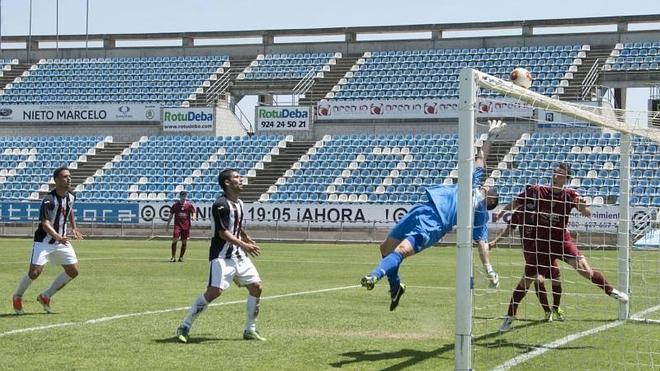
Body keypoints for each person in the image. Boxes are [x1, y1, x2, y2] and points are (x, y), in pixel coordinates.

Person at [360, 120, 505, 311]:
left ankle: (374, 276)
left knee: (402, 250)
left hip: (435, 224)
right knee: (386, 248)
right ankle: (395, 287)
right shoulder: (474, 184)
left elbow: (482, 243)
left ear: (491, 200)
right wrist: (490, 137)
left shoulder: (480, 214)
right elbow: (480, 159)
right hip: (424, 209)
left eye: (490, 189)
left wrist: (489, 269)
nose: (488, 185)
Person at [497, 162, 628, 332]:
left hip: (561, 241)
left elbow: (587, 214)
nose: (555, 175)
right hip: (541, 244)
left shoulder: (570, 194)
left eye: (560, 173)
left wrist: (581, 205)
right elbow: (516, 202)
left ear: (567, 178)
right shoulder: (537, 190)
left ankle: (612, 291)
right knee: (526, 280)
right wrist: (502, 211)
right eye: (554, 172)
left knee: (585, 270)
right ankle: (510, 315)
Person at [176, 169, 266, 343]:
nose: (241, 180)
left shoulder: (239, 203)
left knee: (256, 287)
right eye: (237, 177)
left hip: (238, 255)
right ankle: (185, 326)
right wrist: (244, 244)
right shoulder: (220, 204)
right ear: (227, 183)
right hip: (222, 256)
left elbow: (236, 225)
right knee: (214, 292)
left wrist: (246, 238)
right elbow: (223, 232)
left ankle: (250, 329)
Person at [12, 166, 84, 315]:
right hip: (44, 241)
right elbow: (45, 224)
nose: (69, 178)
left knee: (73, 271)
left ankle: (45, 296)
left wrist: (74, 228)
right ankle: (17, 296)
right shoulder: (48, 200)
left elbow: (70, 210)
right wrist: (58, 237)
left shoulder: (71, 196)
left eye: (69, 176)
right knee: (35, 273)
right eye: (65, 176)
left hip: (61, 241)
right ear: (56, 180)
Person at [489, 206, 565, 322]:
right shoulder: (519, 213)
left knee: (556, 278)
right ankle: (547, 311)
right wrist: (495, 241)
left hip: (546, 249)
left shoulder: (543, 209)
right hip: (530, 253)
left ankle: (555, 308)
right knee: (538, 280)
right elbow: (509, 230)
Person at [166, 190, 196, 262]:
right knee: (175, 239)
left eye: (185, 196)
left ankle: (181, 257)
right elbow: (171, 215)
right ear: (180, 196)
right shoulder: (175, 205)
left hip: (186, 226)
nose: (184, 197)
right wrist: (168, 224)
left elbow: (194, 212)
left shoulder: (189, 205)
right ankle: (173, 257)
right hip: (177, 226)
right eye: (182, 196)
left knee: (184, 242)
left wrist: (193, 217)